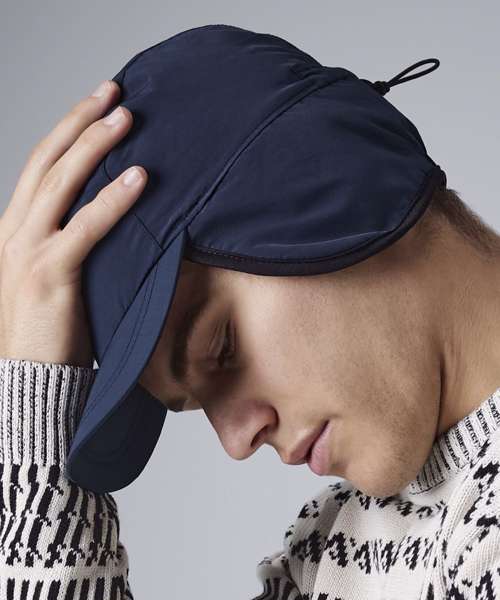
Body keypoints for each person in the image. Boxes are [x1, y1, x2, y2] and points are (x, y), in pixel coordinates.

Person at [1, 78, 500, 600]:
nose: (237, 442)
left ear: (341, 191)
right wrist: (39, 435)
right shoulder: (336, 547)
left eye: (222, 348)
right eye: (197, 405)